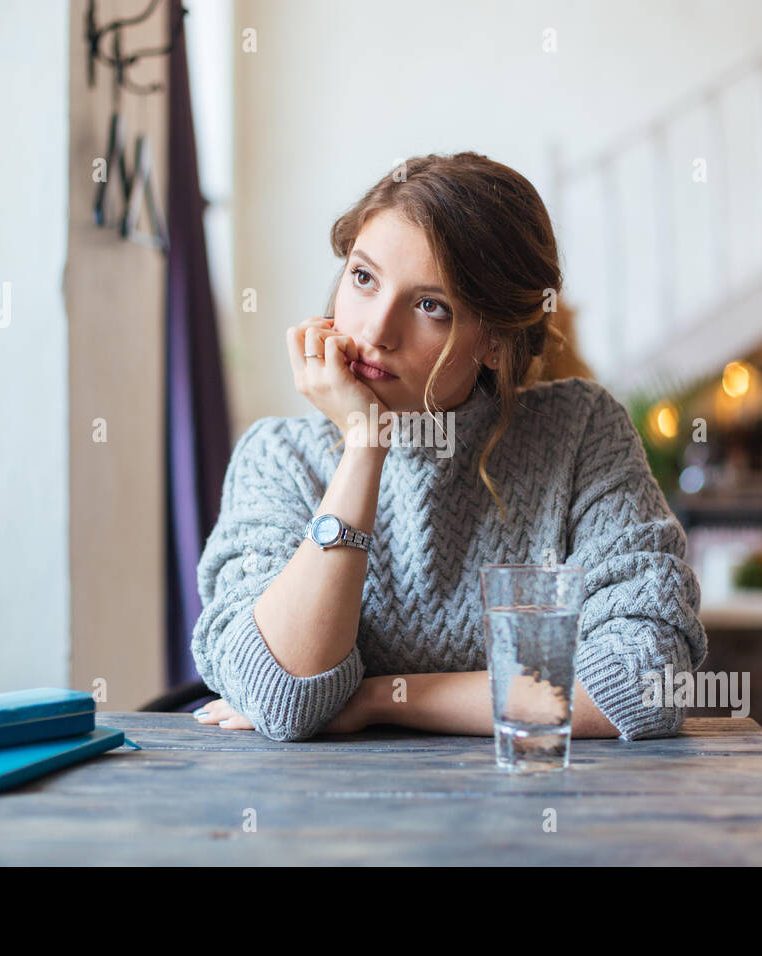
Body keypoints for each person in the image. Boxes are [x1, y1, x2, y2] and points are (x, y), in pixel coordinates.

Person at [190, 151, 707, 742]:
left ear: (493, 340)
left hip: (535, 816)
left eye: (430, 305)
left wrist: (383, 698)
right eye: (363, 278)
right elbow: (281, 698)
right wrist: (365, 445)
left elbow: (647, 681)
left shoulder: (580, 432)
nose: (375, 332)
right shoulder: (279, 456)